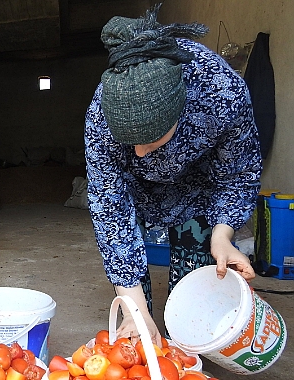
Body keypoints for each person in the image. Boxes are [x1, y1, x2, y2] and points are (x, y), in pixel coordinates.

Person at [84, 5, 261, 344]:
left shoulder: (220, 95)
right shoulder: (101, 117)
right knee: (137, 326)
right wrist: (136, 311)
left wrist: (223, 234)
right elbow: (110, 210)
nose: (138, 152)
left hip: (198, 187)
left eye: (150, 141)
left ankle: (189, 348)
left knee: (200, 305)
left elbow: (239, 173)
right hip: (137, 189)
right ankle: (143, 331)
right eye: (129, 142)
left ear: (180, 109)